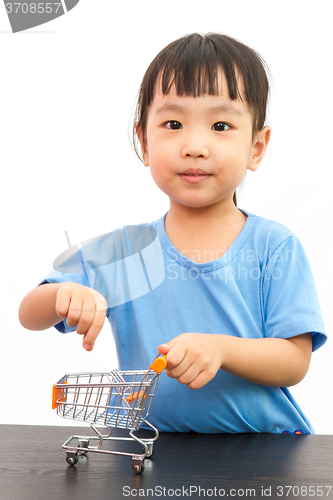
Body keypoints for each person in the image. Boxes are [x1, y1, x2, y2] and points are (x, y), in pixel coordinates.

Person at [19, 32, 327, 434]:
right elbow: (29, 314)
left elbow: (294, 360)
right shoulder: (127, 251)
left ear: (257, 146)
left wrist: (221, 349)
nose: (195, 146)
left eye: (220, 125)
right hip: (150, 451)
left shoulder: (274, 246)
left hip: (264, 452)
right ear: (143, 141)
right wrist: (63, 295)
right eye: (173, 123)